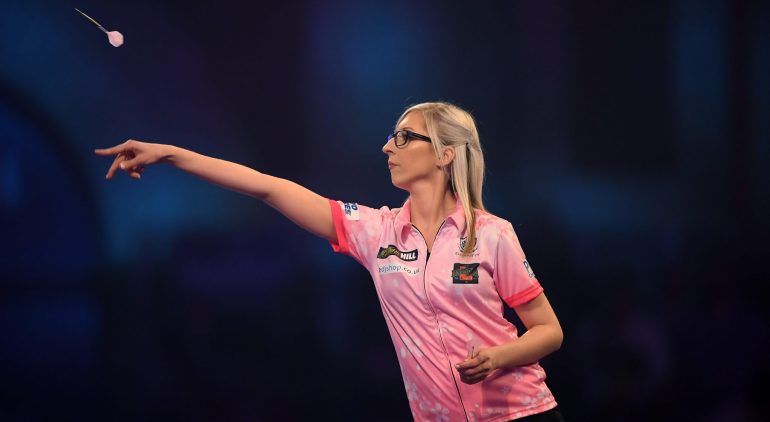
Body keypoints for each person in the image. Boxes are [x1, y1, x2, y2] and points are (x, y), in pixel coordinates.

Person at [95, 101, 564, 421]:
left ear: (445, 153)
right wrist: (172, 155)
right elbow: (269, 187)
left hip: (523, 414)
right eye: (390, 137)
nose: (387, 147)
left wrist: (498, 357)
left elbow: (548, 330)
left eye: (404, 137)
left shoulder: (491, 234)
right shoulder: (375, 232)